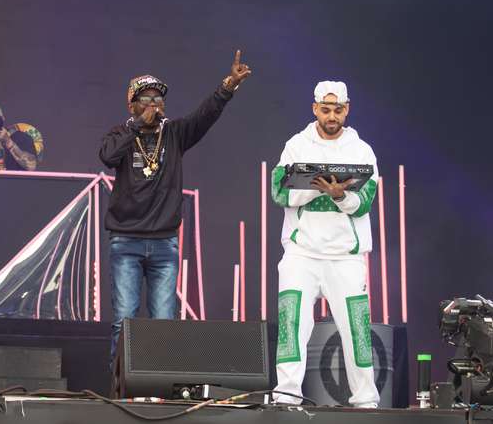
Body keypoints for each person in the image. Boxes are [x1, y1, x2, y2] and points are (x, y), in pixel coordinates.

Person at [99, 50, 253, 369]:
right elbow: (108, 157)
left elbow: (205, 115)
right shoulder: (120, 134)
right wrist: (136, 127)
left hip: (164, 244)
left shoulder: (175, 133)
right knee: (123, 322)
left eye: (159, 99)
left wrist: (228, 86)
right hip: (125, 241)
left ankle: (158, 391)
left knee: (162, 325)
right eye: (147, 99)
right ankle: (121, 391)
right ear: (132, 104)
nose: (154, 104)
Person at [271, 81, 379, 407]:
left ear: (347, 109)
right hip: (301, 253)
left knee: (357, 331)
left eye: (338, 109)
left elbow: (366, 201)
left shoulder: (362, 151)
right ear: (315, 108)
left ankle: (366, 401)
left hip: (346, 256)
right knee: (292, 324)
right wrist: (318, 188)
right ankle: (287, 396)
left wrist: (340, 195)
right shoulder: (295, 146)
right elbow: (279, 191)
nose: (332, 115)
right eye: (326, 109)